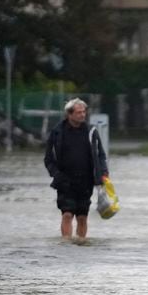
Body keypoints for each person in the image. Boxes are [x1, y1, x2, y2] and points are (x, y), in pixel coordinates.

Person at [44, 98, 108, 242]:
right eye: (79, 112)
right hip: (65, 180)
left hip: (86, 181)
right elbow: (48, 159)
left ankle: (80, 243)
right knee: (67, 214)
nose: (82, 115)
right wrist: (56, 175)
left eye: (84, 112)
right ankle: (66, 243)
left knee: (82, 217)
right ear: (69, 114)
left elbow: (101, 155)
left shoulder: (91, 131)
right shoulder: (57, 132)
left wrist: (103, 173)